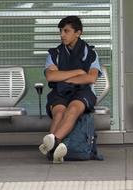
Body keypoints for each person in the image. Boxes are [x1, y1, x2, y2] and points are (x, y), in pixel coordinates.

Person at [38, 16, 101, 163]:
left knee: (72, 109)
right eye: (61, 31)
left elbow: (91, 78)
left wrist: (65, 78)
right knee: (59, 112)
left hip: (83, 92)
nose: (62, 35)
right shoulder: (55, 53)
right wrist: (79, 71)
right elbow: (50, 76)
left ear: (78, 33)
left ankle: (53, 145)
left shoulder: (90, 53)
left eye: (66, 31)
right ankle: (55, 149)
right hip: (59, 92)